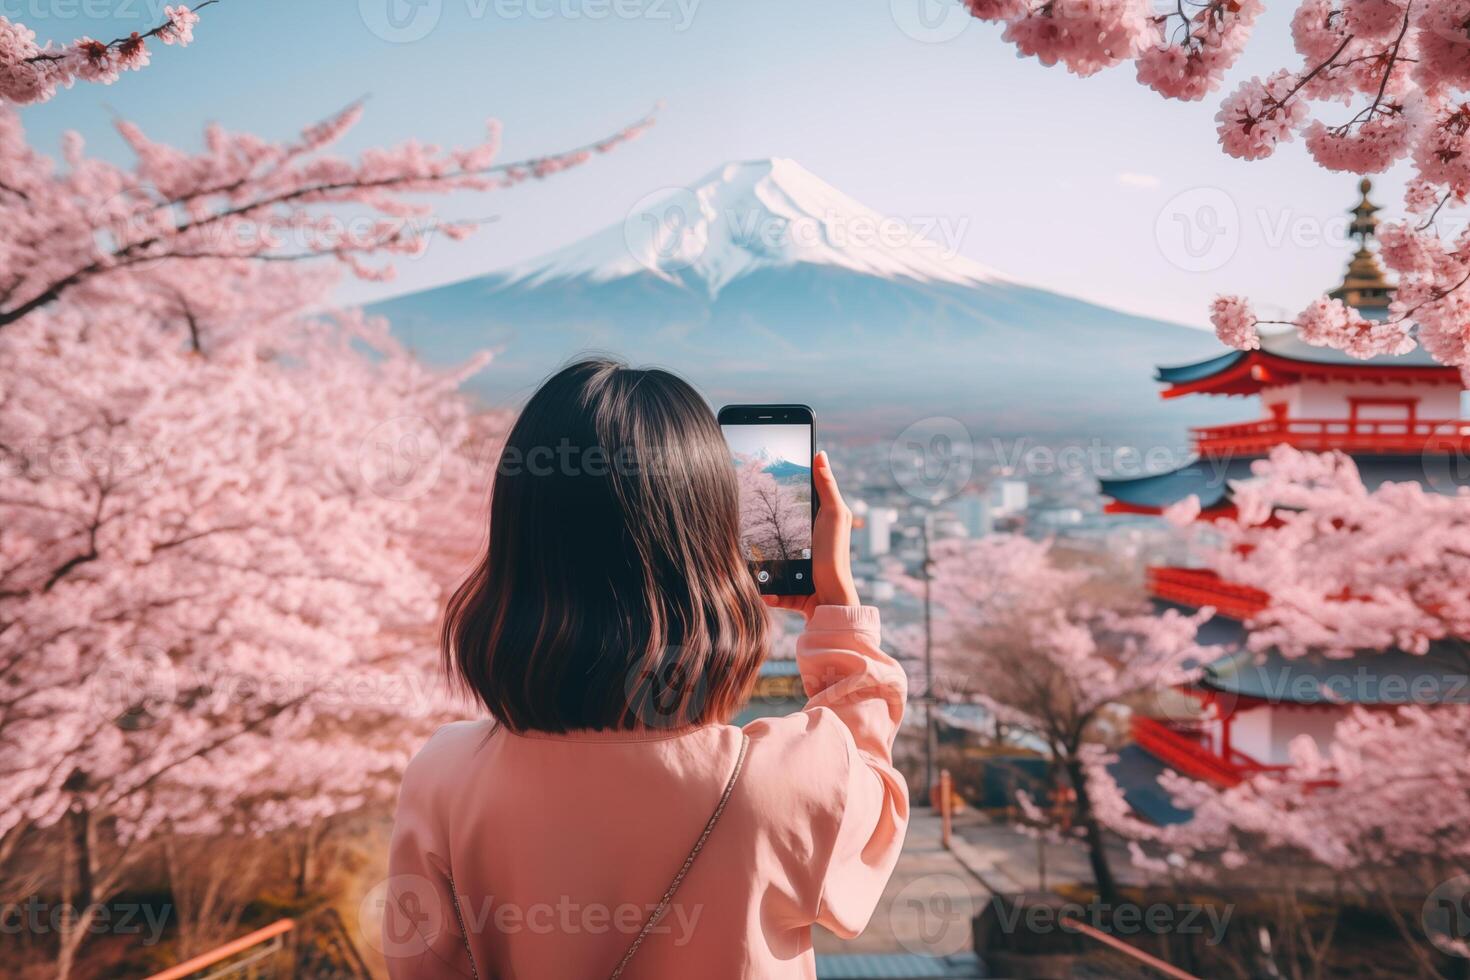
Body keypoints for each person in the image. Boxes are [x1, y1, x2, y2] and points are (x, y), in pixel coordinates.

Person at [384, 358, 909, 978]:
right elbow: (874, 801)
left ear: (519, 547)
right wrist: (838, 616)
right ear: (715, 551)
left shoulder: (444, 776)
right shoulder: (787, 779)